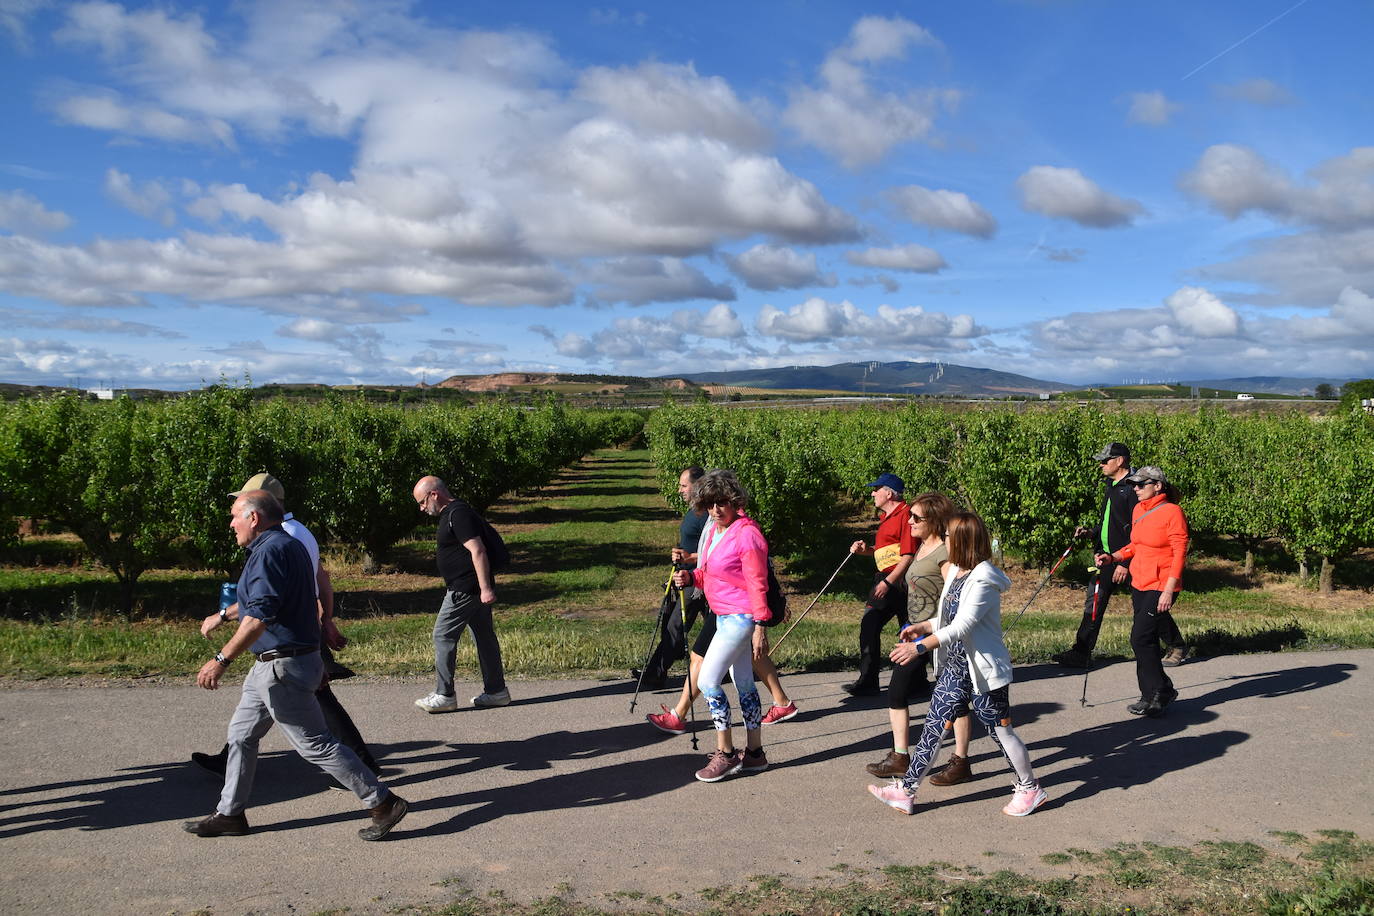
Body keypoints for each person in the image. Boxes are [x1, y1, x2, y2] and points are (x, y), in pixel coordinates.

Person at [185, 490, 407, 840]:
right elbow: (284, 603)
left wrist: (221, 659)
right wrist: (226, 616)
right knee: (241, 736)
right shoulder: (286, 547)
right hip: (276, 663)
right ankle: (230, 814)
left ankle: (382, 802)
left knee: (316, 744)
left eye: (234, 516)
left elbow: (260, 615)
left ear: (254, 518)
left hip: (282, 667)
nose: (231, 524)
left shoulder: (270, 552)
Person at [194, 473, 381, 781]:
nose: (233, 517)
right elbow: (313, 581)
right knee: (259, 716)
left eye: (241, 505)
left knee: (313, 733)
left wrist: (323, 623)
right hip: (292, 638)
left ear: (258, 508)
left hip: (288, 641)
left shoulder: (281, 539)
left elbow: (288, 593)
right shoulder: (293, 533)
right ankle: (230, 779)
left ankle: (373, 788)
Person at [867, 511, 1048, 818]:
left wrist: (918, 647)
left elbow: (963, 626)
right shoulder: (957, 572)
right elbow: (948, 618)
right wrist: (924, 626)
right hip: (955, 666)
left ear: (961, 541)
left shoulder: (984, 579)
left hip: (982, 670)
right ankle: (906, 791)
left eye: (948, 537)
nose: (944, 541)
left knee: (999, 732)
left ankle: (1029, 789)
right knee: (933, 727)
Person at [864, 492, 974, 787]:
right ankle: (901, 756)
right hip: (918, 628)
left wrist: (930, 632)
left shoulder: (946, 552)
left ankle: (960, 761)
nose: (909, 521)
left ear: (934, 521)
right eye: (910, 516)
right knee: (899, 691)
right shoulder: (924, 544)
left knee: (955, 699)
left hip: (939, 635)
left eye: (916, 518)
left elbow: (956, 598)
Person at [671, 470, 771, 782]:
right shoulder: (716, 530)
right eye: (710, 504)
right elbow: (713, 572)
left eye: (722, 503)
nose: (716, 510)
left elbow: (757, 583)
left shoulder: (747, 533)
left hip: (741, 616)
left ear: (735, 501)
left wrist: (760, 625)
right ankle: (754, 753)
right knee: (743, 682)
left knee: (709, 681)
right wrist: (691, 577)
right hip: (724, 614)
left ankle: (726, 753)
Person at [1054, 444, 1187, 669]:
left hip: (1131, 562)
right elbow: (1110, 523)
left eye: (1106, 460)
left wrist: (1125, 563)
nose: (1101, 464)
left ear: (1120, 461)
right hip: (1110, 557)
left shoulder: (1135, 489)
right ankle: (1081, 652)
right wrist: (1092, 533)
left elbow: (1139, 533)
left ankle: (1175, 645)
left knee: (1148, 605)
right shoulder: (1112, 486)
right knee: (1094, 602)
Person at [412, 476, 509, 712]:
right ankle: (496, 691)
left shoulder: (458, 514)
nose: (422, 508)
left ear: (434, 494)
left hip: (465, 589)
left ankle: (444, 694)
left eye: (423, 502)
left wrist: (485, 589)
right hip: (473, 588)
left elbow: (478, 551)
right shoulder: (456, 513)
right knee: (484, 638)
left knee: (442, 635)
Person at [1099, 466, 1189, 717]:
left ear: (1157, 486)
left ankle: (1158, 691)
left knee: (1139, 638)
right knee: (1144, 641)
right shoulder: (1140, 509)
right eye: (1133, 485)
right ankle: (1153, 692)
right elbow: (1135, 545)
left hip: (1161, 584)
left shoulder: (1173, 512)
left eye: (1140, 484)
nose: (1135, 489)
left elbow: (1179, 553)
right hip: (1140, 581)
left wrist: (1169, 590)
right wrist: (1113, 557)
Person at [632, 467, 709, 689]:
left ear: (697, 485)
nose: (679, 490)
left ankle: (656, 673)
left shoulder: (708, 514)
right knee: (709, 626)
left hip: (697, 580)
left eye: (683, 485)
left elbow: (716, 549)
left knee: (676, 625)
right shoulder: (694, 510)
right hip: (684, 576)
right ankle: (731, 667)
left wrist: (690, 557)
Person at [845, 473, 915, 696]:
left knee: (909, 629)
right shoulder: (886, 518)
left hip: (900, 582)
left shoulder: (906, 514)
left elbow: (908, 555)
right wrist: (866, 551)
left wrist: (888, 582)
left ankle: (917, 681)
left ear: (889, 492)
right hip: (885, 579)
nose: (872, 493)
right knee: (870, 625)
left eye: (876, 489)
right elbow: (886, 553)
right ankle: (868, 681)